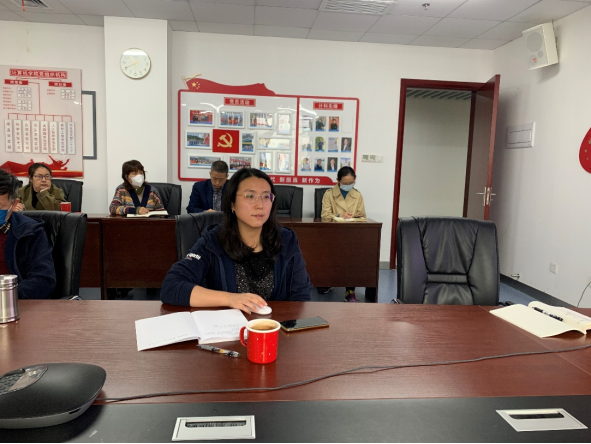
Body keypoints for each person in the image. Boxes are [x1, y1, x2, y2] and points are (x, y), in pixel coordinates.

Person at [161, 168, 312, 311]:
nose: (260, 205)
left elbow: (301, 295)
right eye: (250, 196)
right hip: (228, 326)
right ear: (232, 203)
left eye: (266, 196)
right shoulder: (213, 240)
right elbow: (171, 286)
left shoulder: (286, 239)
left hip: (275, 325)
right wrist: (229, 299)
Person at [0, 169, 56, 299]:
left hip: (13, 303)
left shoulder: (31, 232)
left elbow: (43, 280)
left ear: (14, 204)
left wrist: (7, 295)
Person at [321, 166, 367, 302]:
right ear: (338, 180)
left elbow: (363, 215)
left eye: (351, 183)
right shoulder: (329, 194)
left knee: (353, 254)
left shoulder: (357, 195)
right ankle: (327, 281)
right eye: (345, 183)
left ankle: (350, 290)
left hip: (351, 234)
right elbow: (324, 215)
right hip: (332, 233)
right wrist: (339, 215)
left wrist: (356, 216)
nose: (348, 185)